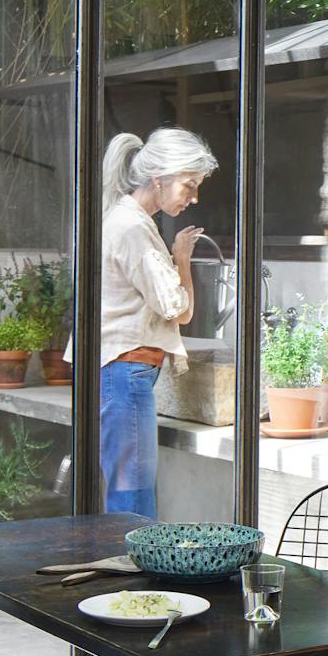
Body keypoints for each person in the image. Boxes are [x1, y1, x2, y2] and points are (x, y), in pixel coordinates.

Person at [98, 127, 217, 515]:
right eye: (189, 184)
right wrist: (181, 255)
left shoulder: (126, 219)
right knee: (133, 495)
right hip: (127, 370)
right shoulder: (134, 228)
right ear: (159, 178)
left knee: (127, 486)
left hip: (123, 369)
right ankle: (133, 574)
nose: (194, 197)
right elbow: (179, 310)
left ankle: (128, 569)